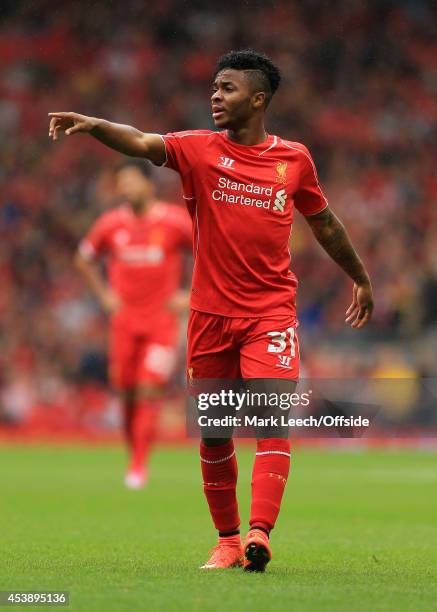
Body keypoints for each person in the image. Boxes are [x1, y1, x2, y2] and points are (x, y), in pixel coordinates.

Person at [49, 49, 373, 571]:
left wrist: (358, 277)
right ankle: (226, 541)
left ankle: (259, 535)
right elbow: (140, 140)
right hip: (209, 318)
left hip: (270, 313)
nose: (215, 97)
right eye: (214, 88)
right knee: (216, 430)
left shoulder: (294, 159)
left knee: (270, 419)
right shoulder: (198, 150)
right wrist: (94, 125)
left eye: (226, 89)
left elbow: (326, 223)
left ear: (258, 99)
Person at [74, 159, 191, 489]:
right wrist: (103, 295)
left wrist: (191, 293)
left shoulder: (173, 221)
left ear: (148, 184)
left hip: (161, 322)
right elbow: (82, 259)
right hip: (124, 321)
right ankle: (134, 454)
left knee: (149, 387)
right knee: (126, 390)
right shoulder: (111, 224)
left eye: (130, 181)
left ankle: (139, 466)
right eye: (121, 182)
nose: (125, 188)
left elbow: (209, 252)